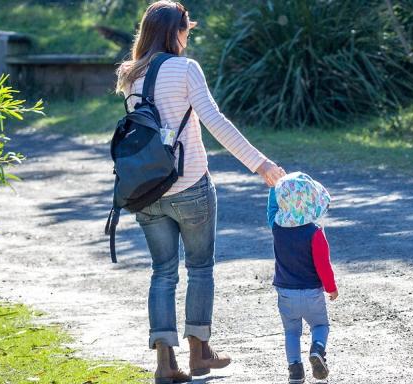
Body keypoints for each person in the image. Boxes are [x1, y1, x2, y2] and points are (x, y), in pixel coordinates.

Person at [114, 2, 287, 382]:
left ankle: (164, 363)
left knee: (162, 272)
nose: (188, 36)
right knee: (200, 268)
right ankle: (199, 352)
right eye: (186, 30)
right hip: (190, 184)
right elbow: (215, 122)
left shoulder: (130, 74)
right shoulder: (186, 69)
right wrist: (261, 164)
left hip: (146, 190)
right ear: (175, 31)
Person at [267, 172, 338, 384]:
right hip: (312, 292)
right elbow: (323, 265)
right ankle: (317, 349)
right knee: (320, 326)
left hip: (286, 292)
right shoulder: (315, 233)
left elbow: (272, 209)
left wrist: (273, 186)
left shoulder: (277, 228)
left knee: (291, 332)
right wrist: (331, 287)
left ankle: (295, 371)